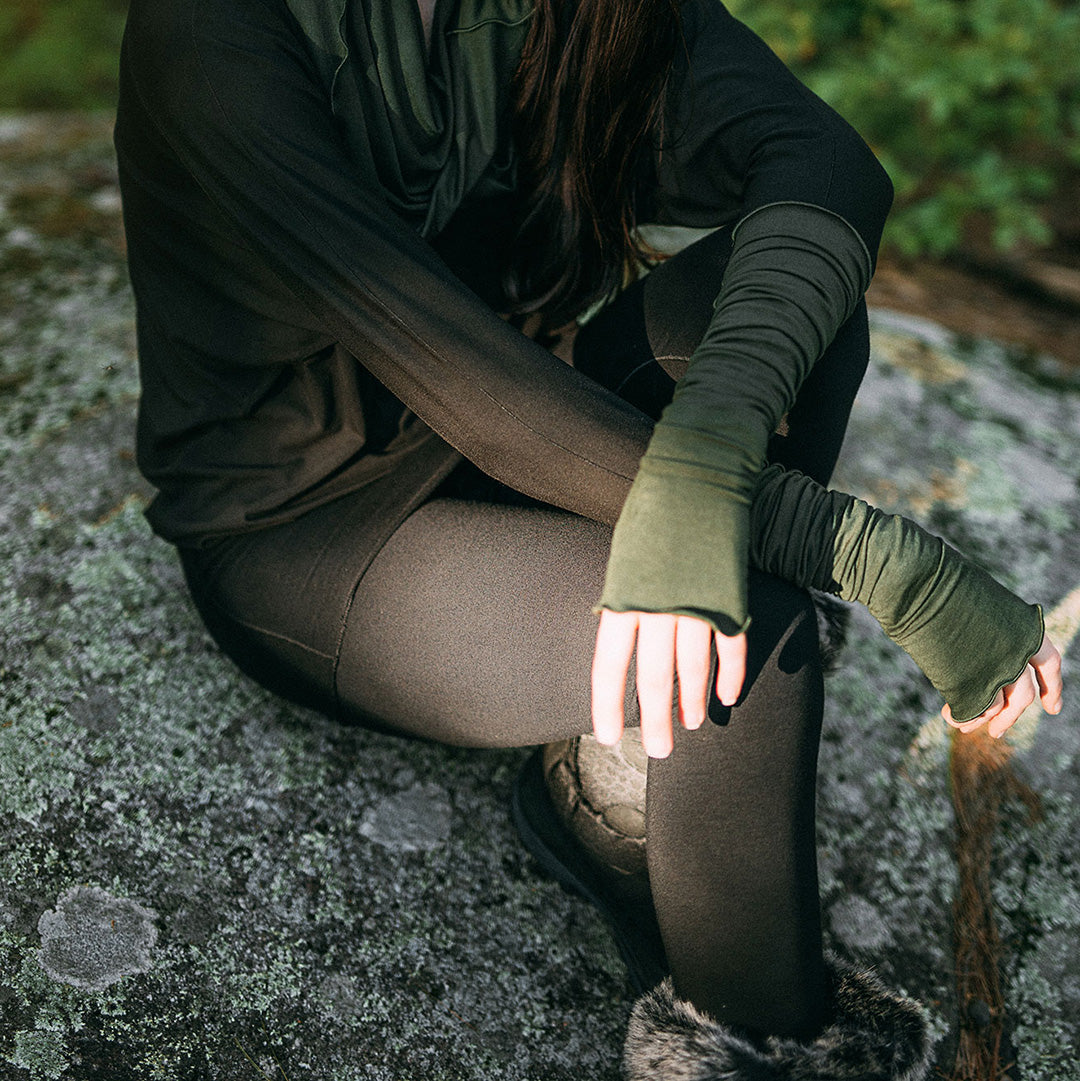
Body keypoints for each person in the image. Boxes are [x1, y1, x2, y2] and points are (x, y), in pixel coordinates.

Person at [113, 0, 1063, 1076]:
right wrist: (878, 558)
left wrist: (704, 457)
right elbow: (449, 366)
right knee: (748, 649)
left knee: (800, 293)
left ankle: (613, 776)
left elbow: (826, 161)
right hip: (313, 524)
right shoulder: (212, 30)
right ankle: (754, 1043)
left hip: (536, 409)